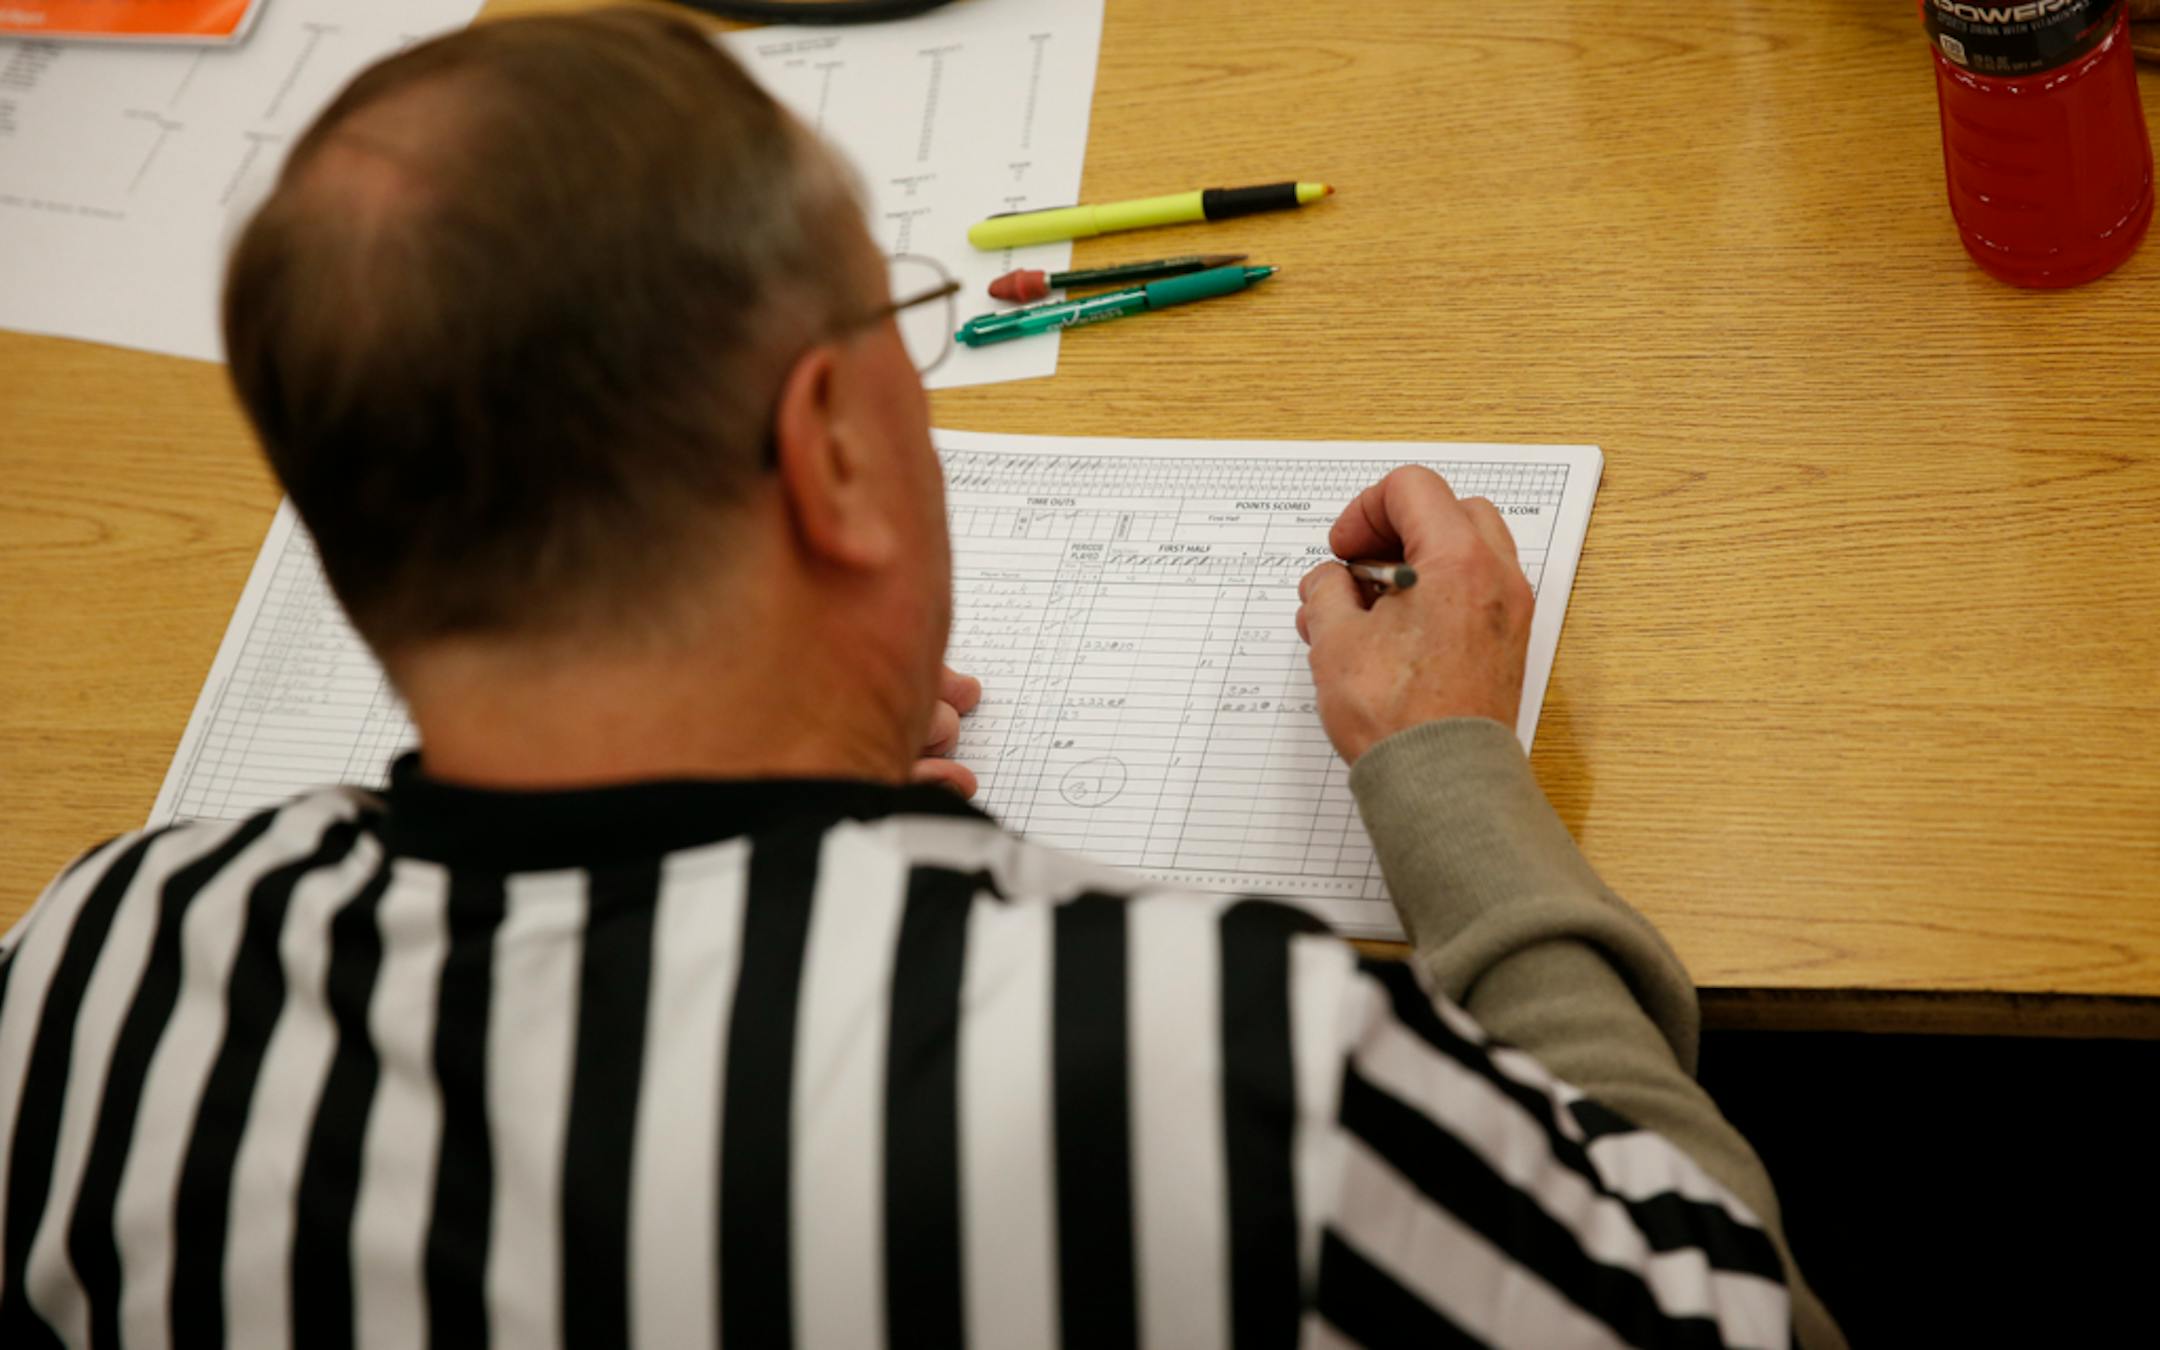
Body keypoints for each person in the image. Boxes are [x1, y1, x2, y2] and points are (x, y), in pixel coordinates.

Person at [0, 8, 1840, 1348]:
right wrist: (1454, 778)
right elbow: (1737, 1316)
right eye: (894, 321)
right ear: (836, 456)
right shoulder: (1191, 1067)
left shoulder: (85, 979)